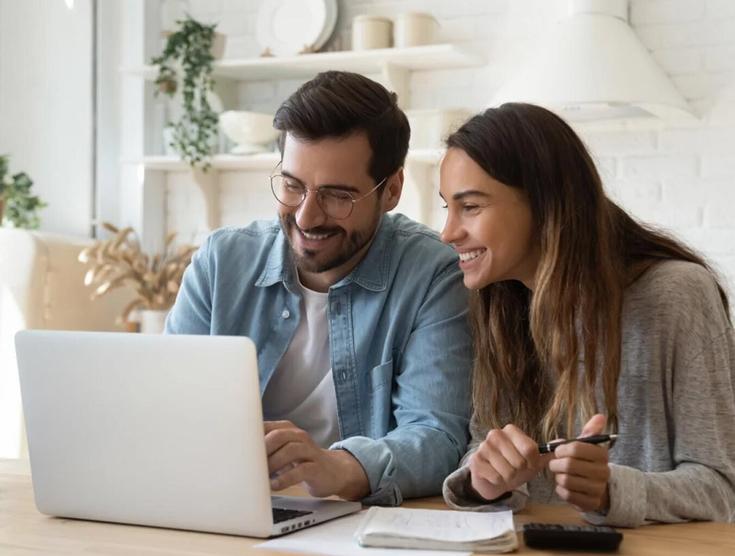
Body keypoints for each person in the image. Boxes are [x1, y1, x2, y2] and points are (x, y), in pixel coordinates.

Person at [165, 71, 472, 506]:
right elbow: (167, 406)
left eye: (337, 195)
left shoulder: (432, 276)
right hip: (224, 507)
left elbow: (437, 437)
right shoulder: (221, 262)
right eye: (292, 186)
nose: (307, 217)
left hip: (354, 523)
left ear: (392, 191)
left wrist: (339, 468)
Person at [439, 103, 735, 527]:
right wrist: (485, 481)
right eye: (447, 207)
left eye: (470, 207)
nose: (448, 232)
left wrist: (610, 490)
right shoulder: (500, 304)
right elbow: (483, 446)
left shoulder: (676, 295)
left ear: (544, 205)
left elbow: (721, 489)